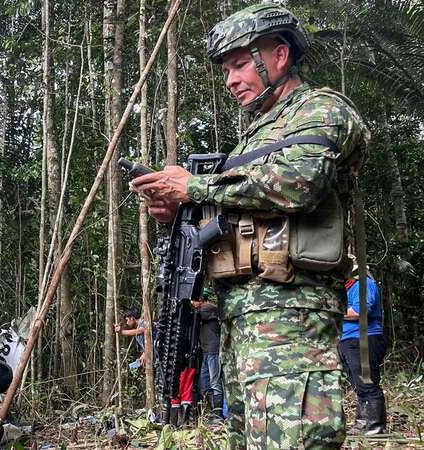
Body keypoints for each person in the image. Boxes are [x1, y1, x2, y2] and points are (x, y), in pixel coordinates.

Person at [130, 4, 370, 449]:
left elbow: (299, 183)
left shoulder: (320, 109)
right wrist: (178, 210)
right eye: (226, 70)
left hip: (293, 316)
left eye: (240, 64)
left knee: (295, 440)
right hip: (241, 319)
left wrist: (196, 187)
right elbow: (239, 215)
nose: (231, 80)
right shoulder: (254, 136)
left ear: (279, 57)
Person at [338, 266, 387, 435]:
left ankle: (375, 427)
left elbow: (360, 311)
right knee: (359, 384)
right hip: (349, 340)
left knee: (367, 383)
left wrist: (333, 311)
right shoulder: (347, 288)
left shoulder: (363, 284)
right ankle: (362, 424)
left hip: (363, 338)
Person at [191, 288, 224, 424]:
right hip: (205, 352)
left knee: (214, 382)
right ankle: (212, 412)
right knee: (204, 385)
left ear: (200, 299)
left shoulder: (208, 307)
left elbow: (195, 315)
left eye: (193, 300)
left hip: (213, 350)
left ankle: (218, 415)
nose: (192, 303)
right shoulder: (202, 310)